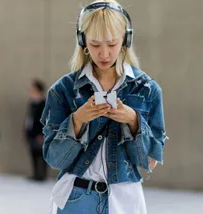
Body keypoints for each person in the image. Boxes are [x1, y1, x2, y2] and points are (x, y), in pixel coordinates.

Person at [40, 1, 167, 213]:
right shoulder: (63, 90)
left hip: (124, 201)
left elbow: (149, 162)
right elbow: (54, 159)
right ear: (82, 41)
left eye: (112, 43)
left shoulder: (148, 90)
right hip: (75, 199)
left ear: (126, 39)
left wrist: (134, 121)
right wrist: (77, 121)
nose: (104, 54)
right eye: (95, 44)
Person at [24, 79, 48, 181]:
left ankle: (41, 175)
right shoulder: (32, 103)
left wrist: (42, 133)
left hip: (40, 133)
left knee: (42, 154)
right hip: (31, 132)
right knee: (33, 153)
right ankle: (35, 174)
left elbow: (45, 120)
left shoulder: (44, 103)